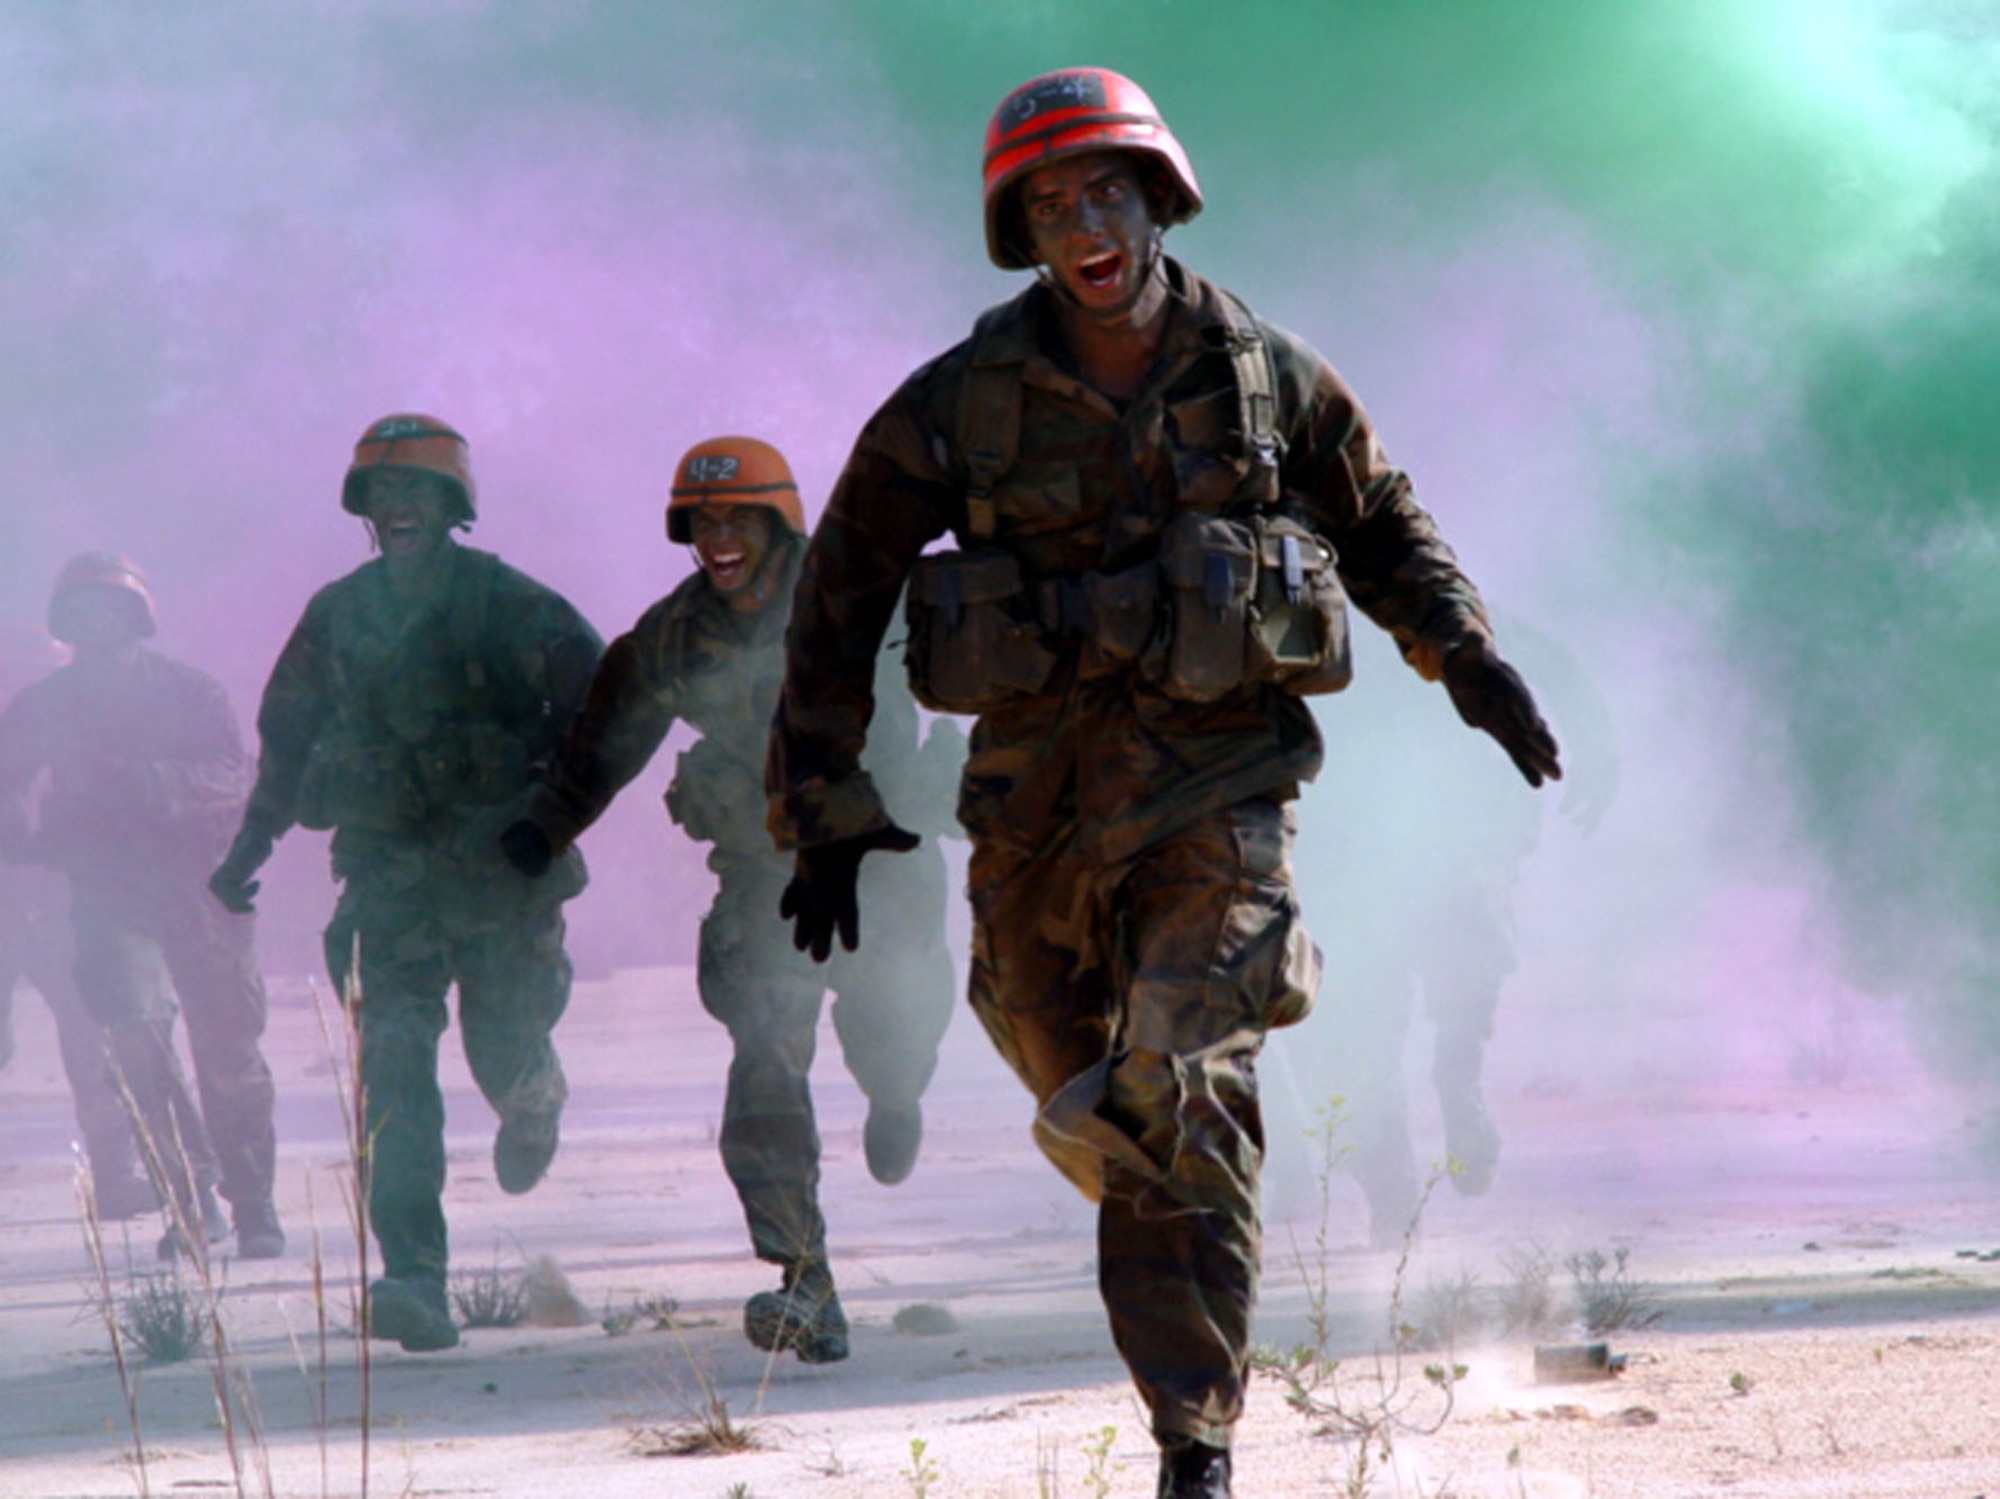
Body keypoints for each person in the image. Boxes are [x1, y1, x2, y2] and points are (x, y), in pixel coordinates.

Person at [764, 69, 1563, 1498]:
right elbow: (840, 590)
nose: (1086, 224)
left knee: (1184, 1079)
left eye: (1107, 192)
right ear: (1025, 233)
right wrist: (815, 804)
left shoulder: (1265, 374)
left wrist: (1465, 654)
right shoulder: (961, 403)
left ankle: (1195, 1441)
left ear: (1159, 198)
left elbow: (1379, 521)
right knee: (1089, 1094)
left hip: (1221, 791)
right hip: (1032, 810)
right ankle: (1171, 1223)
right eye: (1053, 204)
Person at [502, 436, 961, 1364]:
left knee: (896, 1031)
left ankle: (896, 1092)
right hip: (769, 882)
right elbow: (603, 743)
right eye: (701, 522)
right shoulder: (673, 633)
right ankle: (805, 1280)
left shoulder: (863, 583)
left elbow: (987, 619)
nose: (717, 537)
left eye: (735, 519)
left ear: (777, 523)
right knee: (762, 1062)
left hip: (883, 864)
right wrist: (544, 828)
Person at [209, 414, 603, 1352]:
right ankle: (413, 1276)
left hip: (500, 877)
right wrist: (249, 849)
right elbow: (287, 736)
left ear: (452, 505)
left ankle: (533, 1091)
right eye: (383, 496)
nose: (398, 508)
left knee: (502, 1045)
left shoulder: (509, 602)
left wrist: (549, 814)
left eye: (417, 492)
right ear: (364, 511)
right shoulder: (338, 613)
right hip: (387, 882)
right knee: (392, 1067)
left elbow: (602, 701)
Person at [0, 558, 281, 1259]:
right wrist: (26, 841)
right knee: (135, 1044)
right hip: (107, 894)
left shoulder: (191, 692)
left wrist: (152, 784)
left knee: (229, 1054)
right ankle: (189, 1199)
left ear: (136, 616)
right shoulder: (45, 705)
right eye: (82, 610)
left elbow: (234, 773)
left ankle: (253, 1204)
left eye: (110, 607)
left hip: (202, 892)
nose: (97, 622)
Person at [0, 623, 157, 1222]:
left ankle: (116, 1178)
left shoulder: (59, 727)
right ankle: (117, 1179)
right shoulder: (41, 724)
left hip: (49, 902)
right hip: (32, 901)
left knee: (92, 1036)